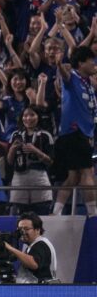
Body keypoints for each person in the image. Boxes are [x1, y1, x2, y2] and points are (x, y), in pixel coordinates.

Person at [53, 46, 97, 216]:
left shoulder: (88, 83)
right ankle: (93, 214)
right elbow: (64, 74)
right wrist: (58, 63)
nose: (94, 64)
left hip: (81, 133)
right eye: (90, 61)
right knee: (87, 172)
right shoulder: (72, 79)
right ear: (81, 63)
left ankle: (56, 212)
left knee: (73, 176)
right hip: (74, 132)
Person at [7, 212, 58, 283]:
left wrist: (10, 248)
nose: (22, 232)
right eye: (20, 229)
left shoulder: (41, 244)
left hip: (42, 290)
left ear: (37, 230)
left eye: (26, 229)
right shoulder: (32, 246)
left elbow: (34, 264)